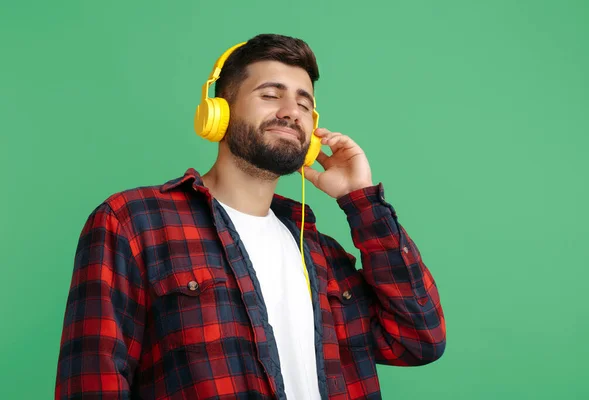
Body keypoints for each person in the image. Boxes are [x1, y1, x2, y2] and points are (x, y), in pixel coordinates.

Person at [55, 33, 446, 400]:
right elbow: (93, 381)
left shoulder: (322, 254)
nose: (291, 112)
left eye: (304, 104)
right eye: (270, 94)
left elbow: (418, 338)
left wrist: (362, 201)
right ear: (218, 112)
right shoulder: (132, 223)